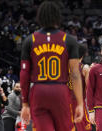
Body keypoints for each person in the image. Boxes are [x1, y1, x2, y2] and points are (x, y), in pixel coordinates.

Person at [20, 1, 84, 131]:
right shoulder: (69, 40)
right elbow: (75, 74)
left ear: (40, 17)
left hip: (38, 91)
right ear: (57, 17)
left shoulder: (30, 40)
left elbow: (24, 74)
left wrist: (25, 103)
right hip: (60, 90)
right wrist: (80, 103)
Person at [70, 44, 92, 131]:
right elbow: (89, 88)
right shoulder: (85, 68)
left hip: (65, 102)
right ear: (83, 55)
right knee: (84, 127)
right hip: (78, 102)